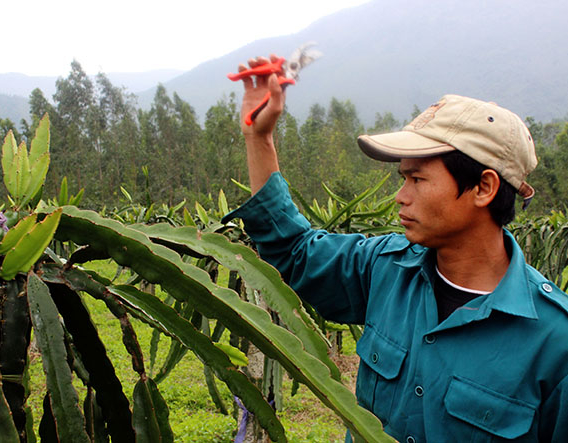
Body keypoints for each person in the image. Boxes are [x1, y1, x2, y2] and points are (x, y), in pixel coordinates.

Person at [222, 55, 568, 442]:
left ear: (483, 188)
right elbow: (295, 251)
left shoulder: (556, 341)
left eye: (417, 179)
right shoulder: (384, 268)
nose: (400, 197)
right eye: (403, 178)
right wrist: (259, 138)